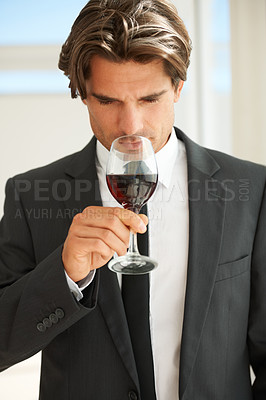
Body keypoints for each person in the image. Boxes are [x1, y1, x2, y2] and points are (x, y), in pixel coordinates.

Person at [0, 0, 265, 399]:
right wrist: (65, 275)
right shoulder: (28, 194)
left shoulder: (252, 189)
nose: (131, 125)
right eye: (107, 101)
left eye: (149, 99)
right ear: (83, 95)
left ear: (177, 87)